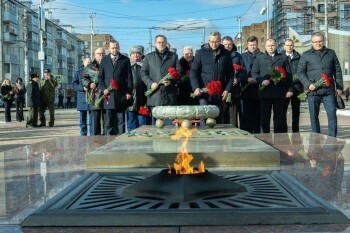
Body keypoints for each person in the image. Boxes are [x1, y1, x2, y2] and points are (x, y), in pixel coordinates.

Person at [297, 32, 343, 137]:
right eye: (315, 42)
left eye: (320, 41)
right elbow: (300, 72)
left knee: (332, 114)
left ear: (323, 41)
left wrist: (339, 87)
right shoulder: (306, 55)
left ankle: (332, 138)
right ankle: (316, 138)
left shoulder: (331, 53)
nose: (318, 43)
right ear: (312, 42)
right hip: (313, 92)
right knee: (314, 116)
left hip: (329, 90)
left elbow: (338, 71)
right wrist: (308, 85)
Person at [190, 31, 234, 124]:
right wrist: (196, 87)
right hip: (204, 93)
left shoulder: (225, 54)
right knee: (204, 118)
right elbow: (193, 72)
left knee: (218, 119)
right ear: (208, 41)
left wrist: (227, 89)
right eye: (212, 41)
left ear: (220, 41)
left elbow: (230, 74)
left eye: (217, 41)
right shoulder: (201, 53)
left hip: (219, 94)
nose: (214, 44)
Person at [251, 38, 293, 133]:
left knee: (279, 116)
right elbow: (254, 73)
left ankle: (278, 137)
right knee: (265, 116)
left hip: (279, 92)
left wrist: (290, 89)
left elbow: (289, 75)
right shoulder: (260, 58)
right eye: (268, 46)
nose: (271, 47)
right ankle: (265, 137)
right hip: (265, 92)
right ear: (265, 47)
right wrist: (261, 81)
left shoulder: (283, 58)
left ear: (276, 46)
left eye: (273, 45)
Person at [141, 35, 179, 125]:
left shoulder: (173, 56)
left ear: (166, 43)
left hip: (169, 96)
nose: (161, 44)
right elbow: (143, 73)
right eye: (159, 42)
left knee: (170, 127)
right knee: (156, 126)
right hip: (155, 96)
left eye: (163, 42)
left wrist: (171, 81)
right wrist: (150, 84)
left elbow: (179, 72)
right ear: (155, 43)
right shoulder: (149, 57)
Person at [98, 40, 132, 135]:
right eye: (112, 48)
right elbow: (100, 77)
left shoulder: (125, 60)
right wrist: (103, 89)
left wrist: (128, 92)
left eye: (116, 48)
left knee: (121, 120)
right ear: (108, 48)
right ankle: (108, 140)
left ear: (119, 48)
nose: (114, 50)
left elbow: (129, 77)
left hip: (120, 94)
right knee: (108, 121)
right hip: (108, 95)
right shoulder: (104, 60)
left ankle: (121, 140)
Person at [241, 36, 262, 134]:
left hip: (260, 89)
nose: (253, 47)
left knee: (258, 115)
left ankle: (258, 134)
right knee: (247, 115)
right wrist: (246, 78)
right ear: (247, 45)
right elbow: (241, 71)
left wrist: (259, 79)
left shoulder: (262, 56)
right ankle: (247, 133)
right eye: (250, 45)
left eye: (254, 45)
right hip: (247, 90)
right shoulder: (243, 56)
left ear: (257, 45)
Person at [82, 47, 106, 135]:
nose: (101, 56)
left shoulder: (109, 64)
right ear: (94, 55)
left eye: (103, 53)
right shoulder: (89, 67)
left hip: (107, 96)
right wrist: (89, 84)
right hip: (95, 97)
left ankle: (107, 139)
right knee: (96, 121)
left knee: (107, 121)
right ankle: (96, 140)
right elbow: (84, 78)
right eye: (99, 54)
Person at [281, 39, 303, 133]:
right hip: (284, 88)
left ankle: (295, 131)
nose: (289, 47)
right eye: (287, 45)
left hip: (297, 87)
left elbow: (302, 71)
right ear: (284, 46)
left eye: (291, 45)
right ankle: (284, 131)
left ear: (293, 46)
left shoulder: (299, 57)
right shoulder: (280, 57)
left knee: (296, 112)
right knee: (283, 111)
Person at [221, 36, 243, 127]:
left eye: (229, 44)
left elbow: (243, 71)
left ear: (232, 44)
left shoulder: (237, 56)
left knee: (233, 114)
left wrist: (238, 79)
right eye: (225, 44)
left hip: (234, 91)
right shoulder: (220, 54)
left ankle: (234, 131)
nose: (227, 46)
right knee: (223, 114)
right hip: (222, 89)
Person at [126, 45, 149, 131]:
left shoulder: (145, 67)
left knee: (143, 125)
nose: (136, 55)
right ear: (130, 55)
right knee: (131, 124)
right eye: (133, 53)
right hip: (130, 101)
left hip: (142, 101)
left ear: (141, 55)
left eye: (138, 53)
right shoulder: (127, 67)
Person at [73, 57, 92, 136]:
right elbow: (74, 84)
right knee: (82, 119)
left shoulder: (94, 71)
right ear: (84, 63)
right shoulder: (78, 73)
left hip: (91, 98)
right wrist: (82, 88)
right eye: (88, 62)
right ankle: (83, 134)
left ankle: (92, 134)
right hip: (82, 98)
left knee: (92, 119)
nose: (89, 64)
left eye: (90, 62)